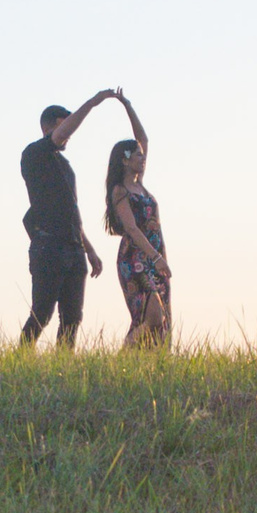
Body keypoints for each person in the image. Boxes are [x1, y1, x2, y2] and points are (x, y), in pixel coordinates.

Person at [19, 90, 110, 350]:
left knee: (72, 318)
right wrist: (91, 104)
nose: (69, 134)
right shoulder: (34, 153)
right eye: (64, 125)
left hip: (73, 247)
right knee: (42, 312)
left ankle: (63, 366)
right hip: (48, 246)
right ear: (52, 125)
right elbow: (60, 135)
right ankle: (20, 359)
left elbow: (72, 212)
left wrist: (89, 250)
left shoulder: (65, 166)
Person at [97, 89, 172, 348]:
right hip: (135, 257)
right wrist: (156, 257)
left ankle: (141, 362)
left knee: (159, 323)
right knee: (152, 316)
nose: (143, 158)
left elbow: (143, 138)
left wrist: (127, 105)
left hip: (154, 255)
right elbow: (131, 227)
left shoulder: (141, 186)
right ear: (125, 160)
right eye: (137, 155)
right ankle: (123, 355)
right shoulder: (121, 190)